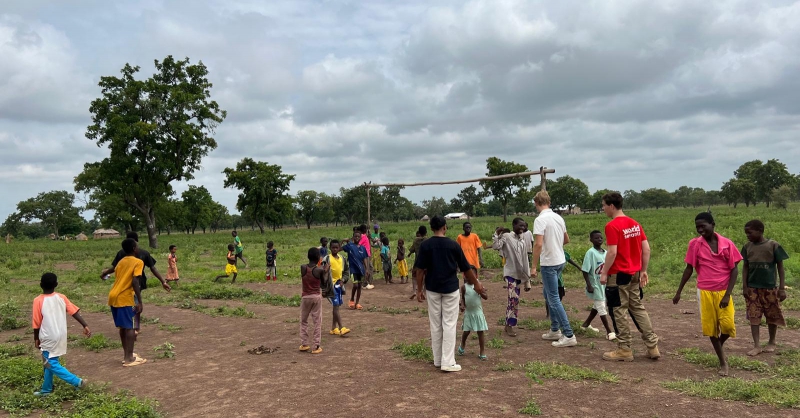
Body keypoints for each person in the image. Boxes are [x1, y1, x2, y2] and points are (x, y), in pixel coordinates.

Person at [414, 215, 488, 373]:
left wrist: (419, 290)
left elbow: (419, 270)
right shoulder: (453, 245)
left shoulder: (426, 245)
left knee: (436, 324)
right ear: (444, 227)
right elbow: (466, 268)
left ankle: (438, 360)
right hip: (450, 289)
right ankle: (447, 362)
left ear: (432, 228)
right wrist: (476, 283)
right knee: (449, 324)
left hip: (432, 289)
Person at [673, 212, 742, 376]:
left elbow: (734, 270)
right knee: (711, 329)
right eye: (697, 227)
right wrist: (679, 292)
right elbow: (689, 268)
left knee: (728, 326)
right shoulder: (695, 244)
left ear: (713, 224)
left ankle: (718, 344)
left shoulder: (727, 244)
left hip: (723, 291)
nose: (700, 229)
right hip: (704, 291)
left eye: (703, 226)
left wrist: (727, 295)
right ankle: (723, 362)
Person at [599, 192, 660, 362]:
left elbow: (612, 252)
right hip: (634, 273)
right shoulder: (635, 224)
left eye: (604, 205)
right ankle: (652, 346)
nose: (603, 208)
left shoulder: (612, 226)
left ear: (611, 206)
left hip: (618, 275)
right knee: (638, 308)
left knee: (618, 309)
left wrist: (604, 272)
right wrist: (643, 270)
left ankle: (624, 348)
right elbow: (646, 249)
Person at [32, 273, 91, 396]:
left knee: (50, 362)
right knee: (50, 360)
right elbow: (73, 312)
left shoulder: (38, 300)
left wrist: (36, 338)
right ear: (56, 285)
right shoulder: (61, 297)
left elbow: (36, 323)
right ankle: (46, 389)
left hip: (48, 336)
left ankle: (77, 382)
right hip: (61, 334)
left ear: (40, 284)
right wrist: (84, 325)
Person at [531, 191, 577, 348]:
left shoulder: (540, 220)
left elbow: (537, 244)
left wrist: (533, 266)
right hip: (560, 261)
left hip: (549, 263)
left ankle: (568, 334)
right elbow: (566, 239)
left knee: (553, 298)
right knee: (548, 294)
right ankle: (555, 329)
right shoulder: (559, 217)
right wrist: (555, 246)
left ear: (536, 203)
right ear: (549, 203)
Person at [102, 231, 170, 336]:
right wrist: (163, 281)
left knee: (133, 304)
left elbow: (114, 268)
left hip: (125, 285)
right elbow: (152, 268)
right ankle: (134, 327)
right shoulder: (143, 253)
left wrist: (105, 273)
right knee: (136, 304)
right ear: (136, 243)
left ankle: (130, 327)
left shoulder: (121, 253)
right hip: (137, 284)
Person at [742, 219, 790, 356]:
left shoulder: (773, 245)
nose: (748, 236)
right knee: (753, 316)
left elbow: (780, 267)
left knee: (772, 315)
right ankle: (756, 345)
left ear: (760, 231)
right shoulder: (747, 247)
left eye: (750, 233)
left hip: (769, 288)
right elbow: (745, 267)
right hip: (752, 288)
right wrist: (744, 286)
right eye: (746, 233)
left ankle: (772, 341)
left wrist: (781, 288)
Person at [104, 238, 146, 366]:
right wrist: (139, 301)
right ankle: (129, 359)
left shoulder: (120, 262)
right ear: (134, 249)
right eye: (137, 246)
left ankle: (127, 355)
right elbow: (134, 281)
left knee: (123, 327)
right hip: (125, 297)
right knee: (130, 327)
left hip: (113, 296)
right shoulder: (138, 262)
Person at [492, 218, 530, 337]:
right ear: (513, 225)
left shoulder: (522, 241)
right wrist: (496, 234)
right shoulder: (507, 237)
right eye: (520, 226)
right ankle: (509, 326)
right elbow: (496, 246)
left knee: (516, 300)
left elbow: (525, 261)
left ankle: (510, 324)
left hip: (519, 275)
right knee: (513, 298)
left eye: (524, 226)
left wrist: (527, 281)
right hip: (510, 273)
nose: (522, 228)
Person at [580, 231, 615, 340]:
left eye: (600, 238)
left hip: (604, 284)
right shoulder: (590, 253)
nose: (599, 239)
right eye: (596, 238)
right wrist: (589, 285)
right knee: (601, 306)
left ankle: (585, 325)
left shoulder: (605, 252)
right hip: (595, 284)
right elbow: (585, 270)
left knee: (598, 304)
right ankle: (609, 332)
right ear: (591, 240)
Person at [299, 248, 326, 354]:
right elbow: (323, 284)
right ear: (318, 258)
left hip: (305, 297)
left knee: (303, 320)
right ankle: (316, 346)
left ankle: (304, 343)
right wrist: (325, 271)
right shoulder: (319, 270)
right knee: (317, 322)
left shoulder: (303, 267)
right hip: (316, 297)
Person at [458, 266, 489, 360]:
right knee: (466, 331)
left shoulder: (479, 284)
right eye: (467, 275)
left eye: (472, 275)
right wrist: (462, 305)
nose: (469, 277)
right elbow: (462, 298)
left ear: (476, 275)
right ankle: (462, 344)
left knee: (480, 332)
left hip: (478, 312)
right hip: (469, 312)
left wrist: (480, 292)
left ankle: (482, 351)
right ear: (464, 276)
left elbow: (486, 297)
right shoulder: (464, 287)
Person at [325, 240, 351, 336]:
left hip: (339, 285)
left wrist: (343, 280)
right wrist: (324, 288)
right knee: (336, 306)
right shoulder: (327, 259)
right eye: (333, 247)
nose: (335, 249)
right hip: (331, 286)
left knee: (336, 306)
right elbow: (322, 273)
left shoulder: (342, 258)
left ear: (339, 248)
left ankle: (333, 328)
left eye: (337, 247)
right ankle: (341, 327)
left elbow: (346, 271)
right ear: (330, 248)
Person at [342, 231, 370, 310]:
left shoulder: (362, 248)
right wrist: (342, 241)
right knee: (355, 285)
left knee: (359, 286)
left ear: (360, 238)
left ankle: (357, 303)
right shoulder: (349, 246)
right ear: (353, 237)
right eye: (355, 236)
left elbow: (365, 259)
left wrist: (366, 269)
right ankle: (351, 299)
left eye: (358, 236)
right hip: (353, 269)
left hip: (360, 270)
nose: (357, 238)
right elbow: (339, 248)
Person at [407, 226, 428, 299]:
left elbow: (411, 250)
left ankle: (414, 292)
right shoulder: (428, 240)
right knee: (426, 277)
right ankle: (424, 292)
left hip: (417, 262)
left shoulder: (416, 240)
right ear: (426, 232)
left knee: (414, 276)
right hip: (427, 262)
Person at [358, 224, 375, 290]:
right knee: (367, 269)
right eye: (366, 229)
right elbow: (359, 245)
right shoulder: (362, 237)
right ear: (363, 230)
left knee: (369, 268)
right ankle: (365, 283)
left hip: (367, 254)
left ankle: (367, 282)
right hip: (365, 255)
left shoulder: (364, 236)